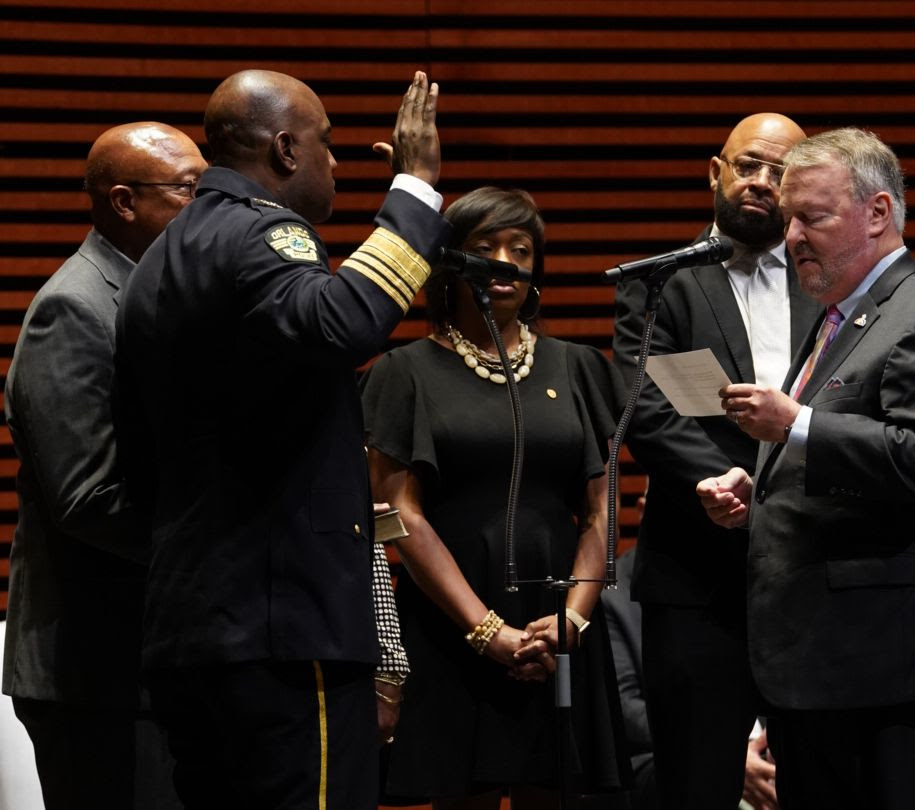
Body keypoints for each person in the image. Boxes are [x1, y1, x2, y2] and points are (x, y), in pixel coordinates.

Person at [114, 70, 450, 809]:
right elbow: (342, 322)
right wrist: (415, 190)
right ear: (286, 149)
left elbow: (137, 452)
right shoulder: (264, 232)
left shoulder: (159, 261)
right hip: (288, 633)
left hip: (195, 628)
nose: (337, 160)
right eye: (327, 144)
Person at [697, 127, 915, 809]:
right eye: (788, 219)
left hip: (900, 675)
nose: (791, 234)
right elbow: (848, 447)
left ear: (879, 214)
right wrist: (764, 481)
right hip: (831, 671)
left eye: (813, 216)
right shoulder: (842, 317)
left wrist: (793, 425)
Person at [361, 186, 630, 808]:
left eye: (521, 249)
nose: (505, 262)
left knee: (557, 791)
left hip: (560, 621)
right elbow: (397, 515)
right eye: (484, 248)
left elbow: (599, 511)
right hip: (450, 618)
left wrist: (574, 619)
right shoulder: (403, 373)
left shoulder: (580, 367)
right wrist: (485, 631)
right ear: (450, 260)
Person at [611, 113, 817, 808]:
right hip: (697, 577)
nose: (761, 182)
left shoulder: (829, 289)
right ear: (715, 173)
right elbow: (647, 406)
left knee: (820, 779)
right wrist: (711, 476)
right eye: (748, 165)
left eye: (779, 172)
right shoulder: (662, 283)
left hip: (811, 573)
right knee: (696, 782)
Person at [3, 121, 205, 809]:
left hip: (155, 661)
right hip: (97, 673)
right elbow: (89, 497)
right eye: (189, 190)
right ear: (124, 202)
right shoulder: (75, 308)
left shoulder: (160, 297)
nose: (209, 207)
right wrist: (224, 548)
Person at [600, 545, 778, 810]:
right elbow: (624, 706)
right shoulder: (613, 593)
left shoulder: (756, 566)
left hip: (760, 745)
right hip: (662, 751)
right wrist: (728, 753)